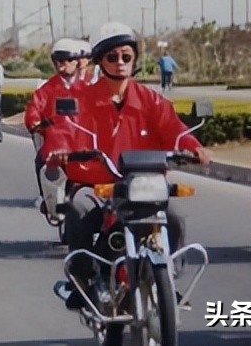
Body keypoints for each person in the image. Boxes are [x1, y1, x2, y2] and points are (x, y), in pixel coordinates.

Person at [48, 22, 211, 309]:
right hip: (99, 186)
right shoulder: (81, 100)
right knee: (79, 208)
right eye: (113, 57)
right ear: (100, 60)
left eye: (127, 56)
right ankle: (82, 282)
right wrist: (60, 149)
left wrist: (192, 146)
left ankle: (166, 279)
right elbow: (63, 129)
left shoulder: (150, 100)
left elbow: (173, 128)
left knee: (173, 218)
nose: (121, 63)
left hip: (144, 184)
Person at [24, 39, 82, 197]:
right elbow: (33, 109)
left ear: (77, 61)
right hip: (56, 143)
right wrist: (34, 122)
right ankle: (46, 197)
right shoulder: (46, 90)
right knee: (40, 162)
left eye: (68, 60)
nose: (63, 64)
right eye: (59, 61)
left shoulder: (89, 86)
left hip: (84, 143)